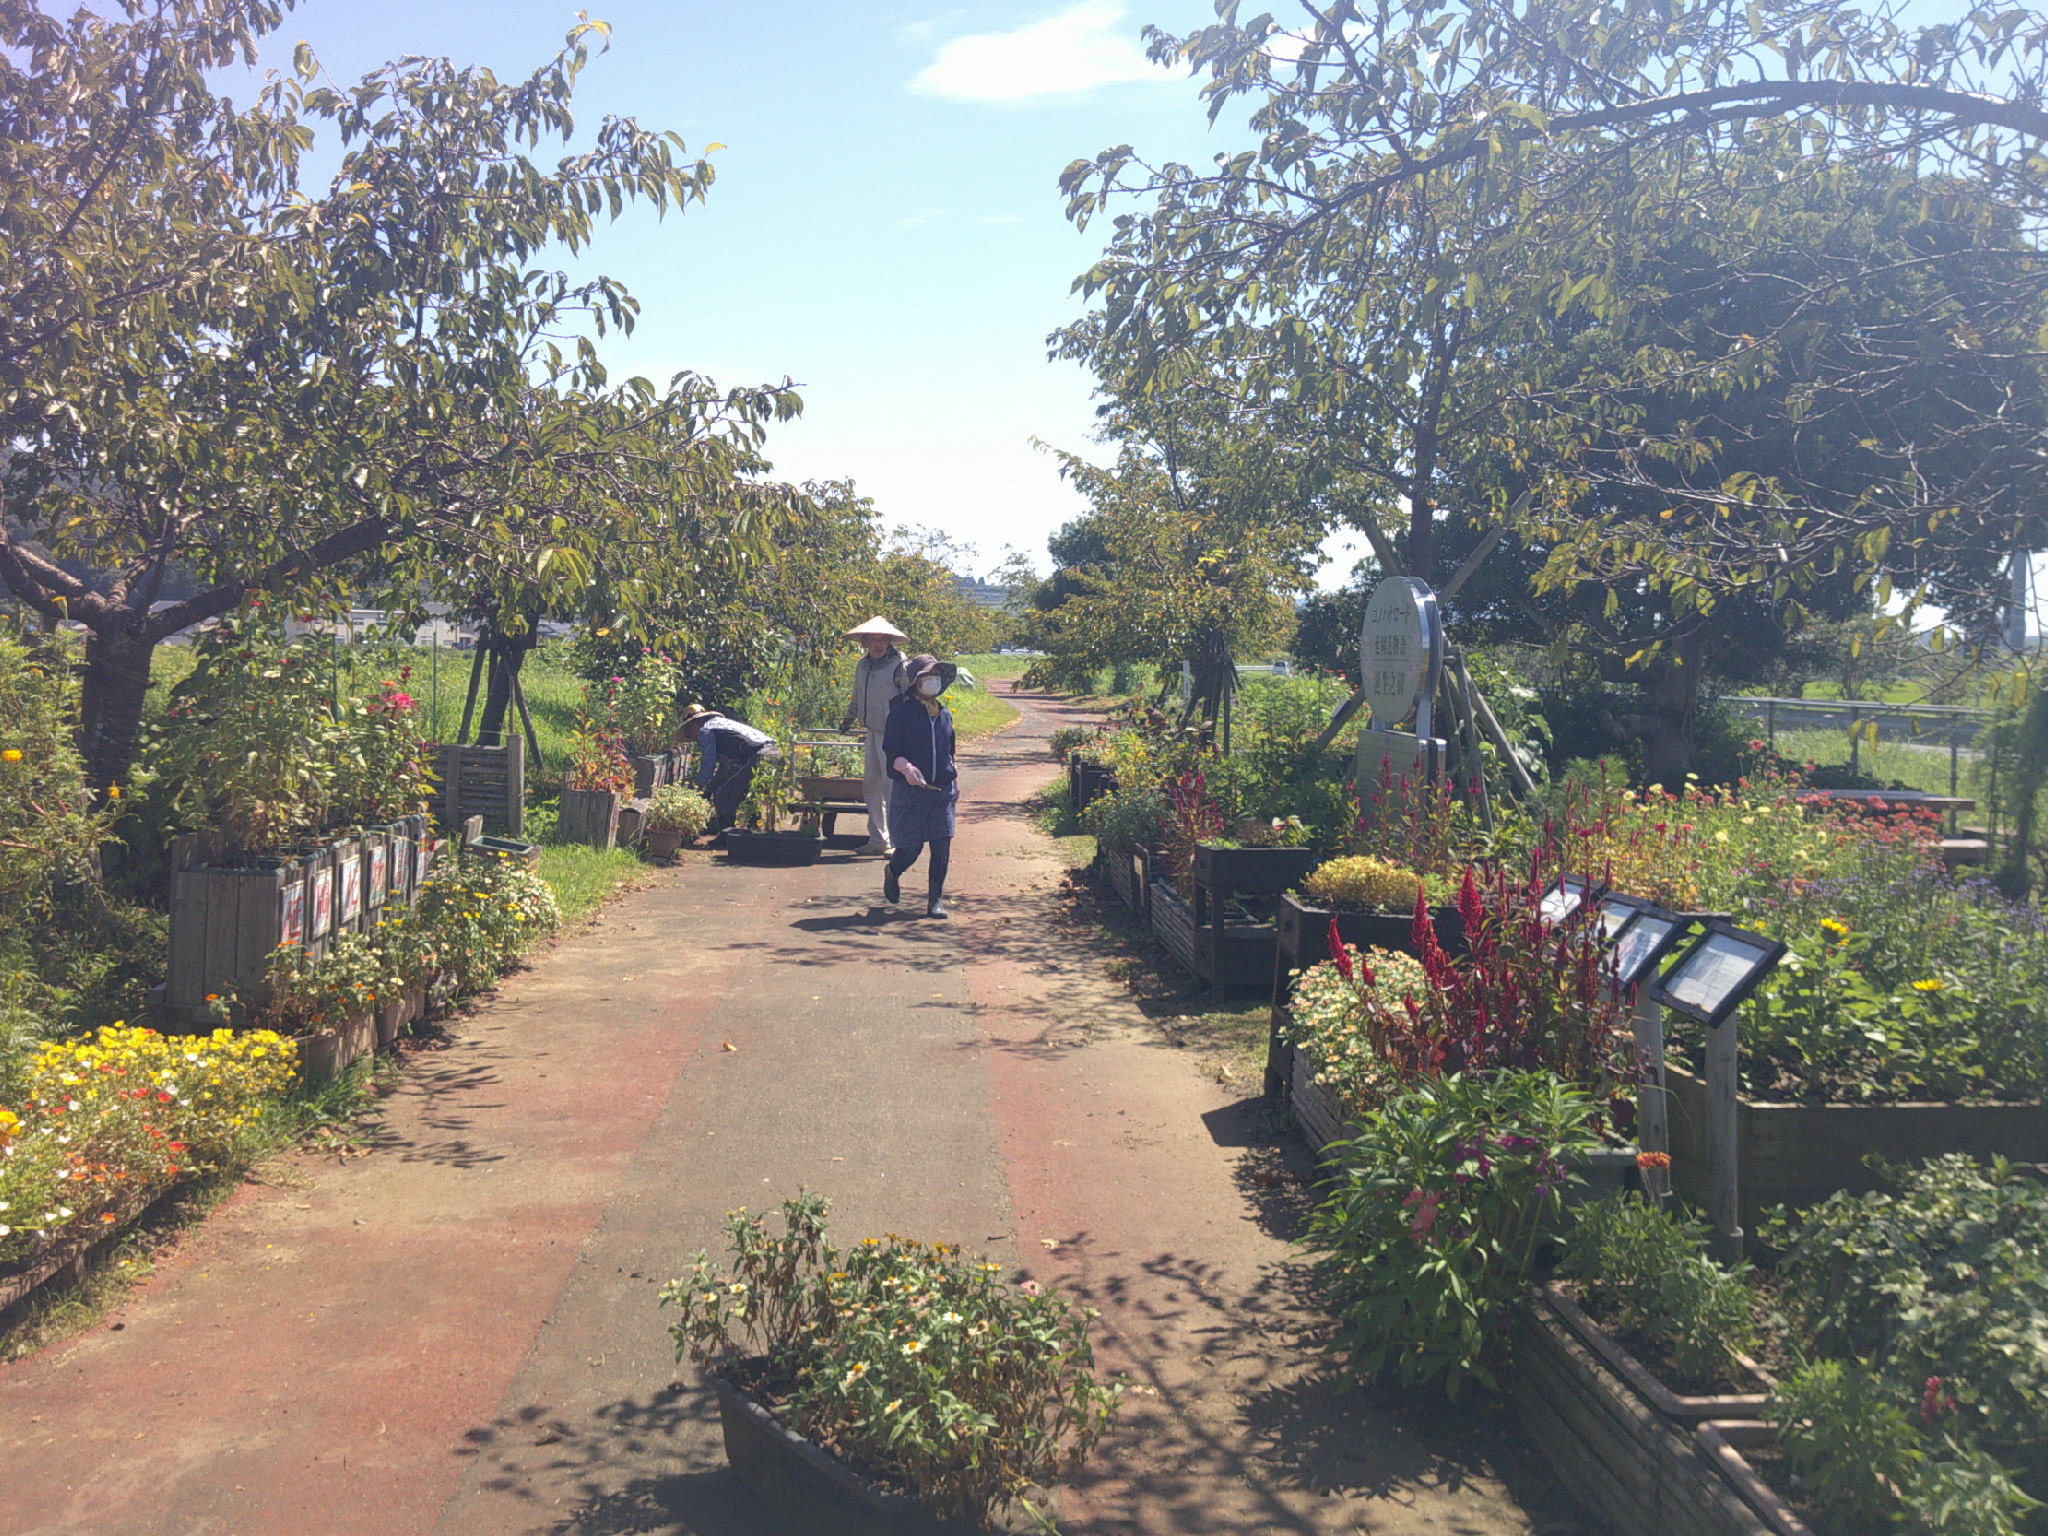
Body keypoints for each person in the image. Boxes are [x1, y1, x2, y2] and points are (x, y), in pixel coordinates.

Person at [879, 654, 959, 919]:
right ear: (915, 681)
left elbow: (949, 753)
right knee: (910, 849)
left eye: (937, 676)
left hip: (942, 793)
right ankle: (893, 871)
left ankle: (935, 901)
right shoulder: (900, 714)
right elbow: (892, 752)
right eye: (927, 676)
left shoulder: (944, 715)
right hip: (911, 792)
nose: (933, 681)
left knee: (941, 846)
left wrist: (954, 780)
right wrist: (906, 768)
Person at [838, 616, 910, 855]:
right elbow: (857, 696)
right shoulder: (863, 665)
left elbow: (910, 698)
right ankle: (878, 839)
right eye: (873, 640)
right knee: (871, 787)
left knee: (892, 788)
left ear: (889, 642)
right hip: (872, 730)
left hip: (894, 734)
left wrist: (909, 732)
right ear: (865, 642)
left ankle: (897, 841)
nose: (878, 644)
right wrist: (848, 719)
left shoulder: (899, 666)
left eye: (883, 640)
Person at [677, 703, 778, 834]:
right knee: (746, 792)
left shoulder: (705, 731)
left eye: (688, 733)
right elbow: (724, 770)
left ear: (693, 724)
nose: (691, 736)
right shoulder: (721, 726)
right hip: (773, 751)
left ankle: (726, 835)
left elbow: (708, 764)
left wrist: (697, 789)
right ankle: (751, 831)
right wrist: (710, 789)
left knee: (724, 794)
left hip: (759, 755)